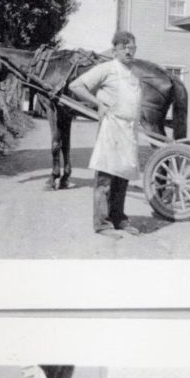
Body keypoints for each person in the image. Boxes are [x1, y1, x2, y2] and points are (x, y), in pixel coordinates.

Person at [69, 31, 142, 237]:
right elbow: (76, 85)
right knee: (106, 176)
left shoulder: (133, 74)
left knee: (123, 174)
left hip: (128, 130)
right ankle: (102, 223)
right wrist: (98, 104)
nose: (129, 51)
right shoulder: (106, 69)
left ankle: (119, 219)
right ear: (115, 50)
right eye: (124, 47)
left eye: (132, 47)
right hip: (111, 127)